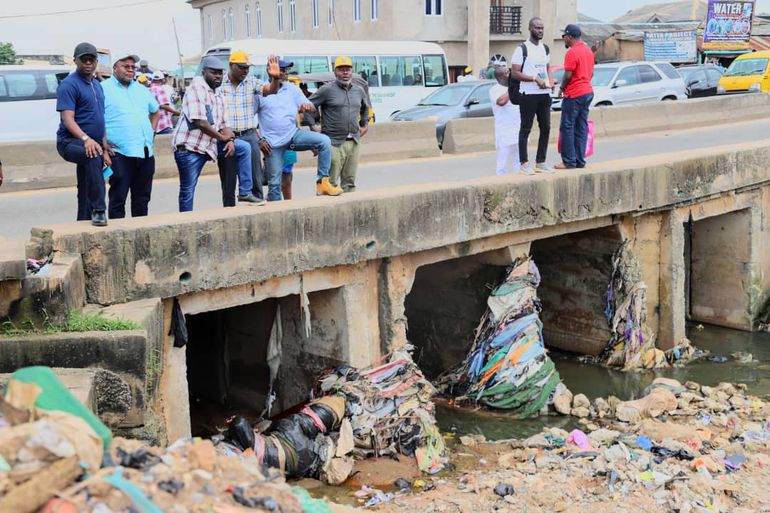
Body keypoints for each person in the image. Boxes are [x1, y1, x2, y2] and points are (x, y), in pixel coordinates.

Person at [171, 56, 260, 212]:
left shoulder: (219, 93)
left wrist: (230, 140)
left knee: (243, 147)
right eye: (214, 72)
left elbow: (225, 124)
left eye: (220, 73)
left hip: (210, 144)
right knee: (187, 190)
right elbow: (200, 122)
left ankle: (245, 192)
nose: (218, 76)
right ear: (204, 72)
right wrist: (222, 138)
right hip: (190, 148)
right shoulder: (196, 87)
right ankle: (186, 219)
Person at [257, 59, 342, 200]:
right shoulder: (261, 91)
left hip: (293, 135)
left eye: (286, 70)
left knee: (324, 141)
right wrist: (260, 139)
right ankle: (276, 208)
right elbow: (250, 119)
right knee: (274, 186)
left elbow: (310, 105)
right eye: (282, 70)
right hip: (272, 143)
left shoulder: (292, 89)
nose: (285, 73)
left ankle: (322, 183)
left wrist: (307, 106)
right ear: (270, 71)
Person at [56, 42, 108, 226]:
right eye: (83, 59)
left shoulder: (97, 85)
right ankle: (99, 210)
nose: (88, 63)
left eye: (91, 59)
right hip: (69, 141)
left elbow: (100, 118)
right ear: (75, 61)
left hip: (93, 142)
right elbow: (67, 119)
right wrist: (86, 139)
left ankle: (83, 220)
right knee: (93, 155)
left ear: (96, 61)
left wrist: (104, 146)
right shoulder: (69, 85)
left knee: (86, 183)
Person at [102, 52, 160, 219]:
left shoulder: (141, 89)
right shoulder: (103, 88)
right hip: (120, 153)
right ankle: (117, 232)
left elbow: (155, 112)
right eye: (125, 66)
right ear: (114, 68)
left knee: (142, 199)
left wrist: (152, 132)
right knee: (118, 199)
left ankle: (141, 232)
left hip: (145, 152)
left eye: (132, 67)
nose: (130, 70)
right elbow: (97, 118)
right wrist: (103, 143)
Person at [219, 50, 281, 202]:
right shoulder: (219, 85)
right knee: (228, 180)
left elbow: (271, 90)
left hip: (249, 135)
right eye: (241, 67)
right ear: (231, 65)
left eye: (247, 68)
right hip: (227, 137)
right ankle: (229, 210)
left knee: (255, 178)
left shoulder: (252, 82)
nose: (245, 71)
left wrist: (275, 77)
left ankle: (257, 207)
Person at [309, 56, 370, 192]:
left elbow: (365, 108)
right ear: (335, 72)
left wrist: (364, 124)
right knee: (329, 183)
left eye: (348, 69)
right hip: (333, 142)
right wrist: (313, 126)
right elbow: (307, 106)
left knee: (349, 183)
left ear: (352, 71)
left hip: (354, 141)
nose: (345, 72)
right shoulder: (326, 90)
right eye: (341, 69)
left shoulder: (359, 90)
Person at [511, 17, 556, 174]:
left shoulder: (545, 48)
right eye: (537, 28)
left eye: (542, 28)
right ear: (530, 29)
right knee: (526, 128)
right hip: (528, 94)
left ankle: (541, 161)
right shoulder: (522, 49)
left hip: (544, 94)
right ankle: (524, 163)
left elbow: (548, 67)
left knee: (546, 127)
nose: (540, 30)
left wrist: (551, 81)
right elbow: (515, 73)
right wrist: (534, 79)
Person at [556, 24, 594, 170]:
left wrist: (562, 88)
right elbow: (591, 73)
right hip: (587, 92)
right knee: (581, 126)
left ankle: (569, 161)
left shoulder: (572, 52)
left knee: (567, 126)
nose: (563, 39)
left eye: (564, 36)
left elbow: (568, 75)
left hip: (574, 94)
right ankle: (580, 160)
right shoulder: (588, 51)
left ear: (570, 37)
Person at [489, 66, 521, 176]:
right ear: (501, 76)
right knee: (502, 164)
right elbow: (501, 101)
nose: (510, 74)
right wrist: (512, 87)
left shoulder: (516, 87)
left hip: (519, 130)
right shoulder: (495, 90)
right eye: (508, 72)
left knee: (520, 162)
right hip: (504, 132)